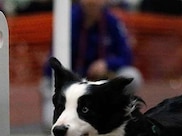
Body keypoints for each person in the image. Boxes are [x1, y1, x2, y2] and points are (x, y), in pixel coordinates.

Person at [40, 0, 143, 128]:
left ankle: (116, 115)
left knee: (131, 75)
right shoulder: (68, 20)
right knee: (50, 122)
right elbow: (54, 61)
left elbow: (127, 56)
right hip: (71, 79)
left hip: (99, 80)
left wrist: (107, 64)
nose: (92, 3)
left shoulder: (112, 21)